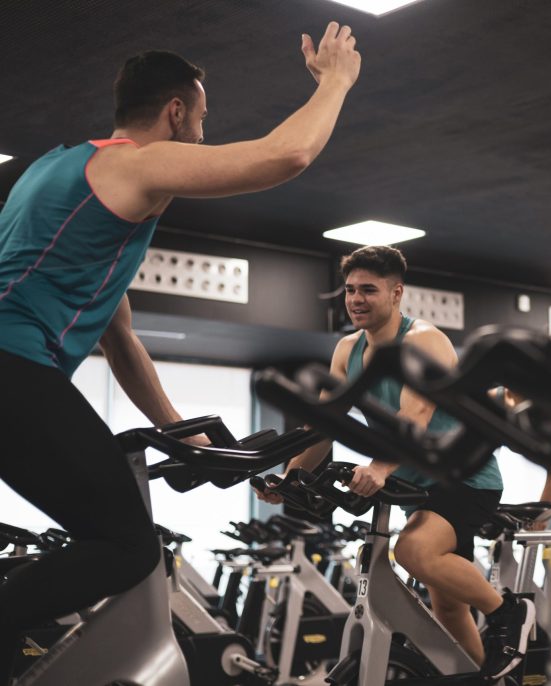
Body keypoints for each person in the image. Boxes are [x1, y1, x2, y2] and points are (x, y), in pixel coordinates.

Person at [0, 23, 360, 684]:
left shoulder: (59, 169)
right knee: (127, 545)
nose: (202, 130)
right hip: (15, 369)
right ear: (174, 112)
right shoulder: (134, 162)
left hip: (18, 372)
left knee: (107, 536)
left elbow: (119, 337)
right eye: (201, 117)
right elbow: (287, 156)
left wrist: (176, 425)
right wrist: (336, 80)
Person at [255, 245, 535, 681]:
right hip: (413, 482)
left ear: (397, 293)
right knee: (446, 605)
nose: (356, 300)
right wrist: (291, 476)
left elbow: (416, 416)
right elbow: (324, 425)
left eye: (369, 289)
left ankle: (511, 613)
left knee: (413, 551)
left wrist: (380, 468)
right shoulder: (347, 350)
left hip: (463, 477)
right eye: (350, 290)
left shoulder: (424, 339)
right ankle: (489, 678)